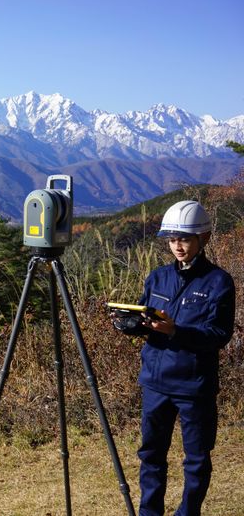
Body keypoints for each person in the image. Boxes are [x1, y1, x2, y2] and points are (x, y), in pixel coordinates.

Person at [128, 200, 236, 516]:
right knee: (151, 454)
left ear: (204, 238)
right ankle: (150, 512)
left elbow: (219, 335)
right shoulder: (158, 277)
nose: (177, 246)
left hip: (194, 386)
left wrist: (177, 331)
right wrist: (130, 324)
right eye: (173, 239)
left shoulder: (219, 282)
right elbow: (144, 315)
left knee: (197, 458)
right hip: (155, 383)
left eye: (185, 239)